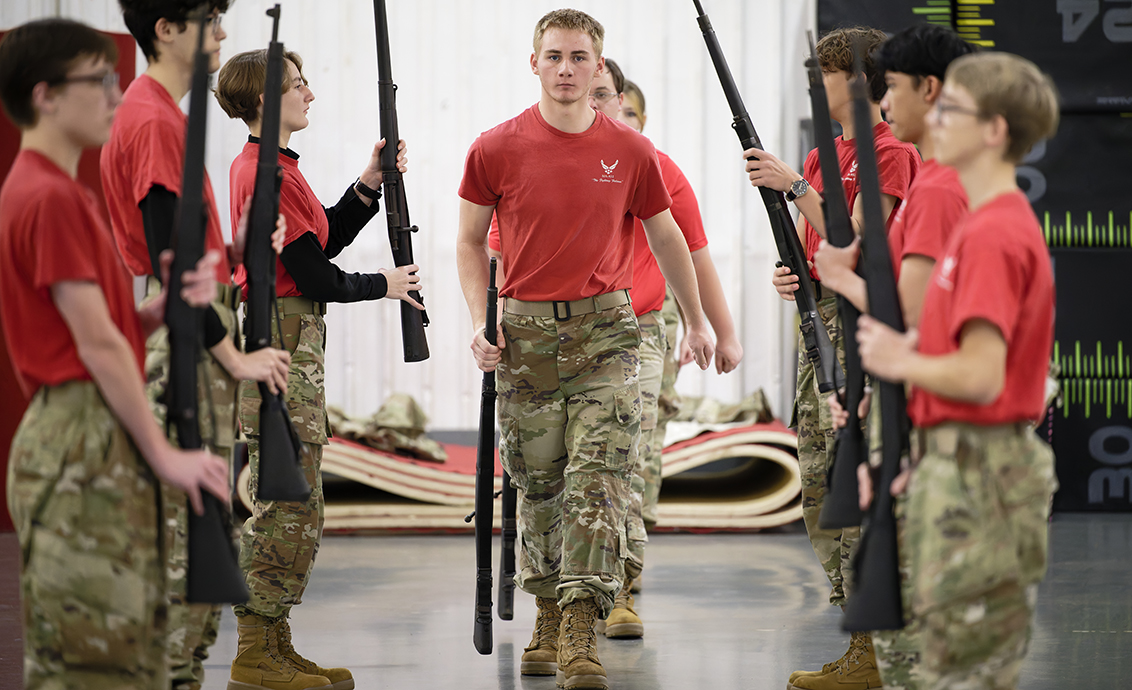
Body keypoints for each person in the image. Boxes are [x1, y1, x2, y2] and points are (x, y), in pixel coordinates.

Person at [456, 10, 713, 689]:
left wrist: (697, 320)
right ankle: (545, 611)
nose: (566, 69)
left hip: (608, 335)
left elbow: (667, 240)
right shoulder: (495, 148)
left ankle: (579, 624)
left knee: (598, 483)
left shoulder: (631, 153)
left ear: (600, 67)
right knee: (538, 486)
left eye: (579, 57)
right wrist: (480, 322)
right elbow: (467, 241)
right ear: (533, 62)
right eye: (554, 56)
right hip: (526, 337)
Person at [0, 18, 231, 690]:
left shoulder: (58, 190)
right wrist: (164, 455)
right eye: (96, 80)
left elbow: (96, 324)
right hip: (81, 436)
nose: (112, 93)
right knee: (101, 659)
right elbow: (96, 344)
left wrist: (154, 314)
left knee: (118, 648)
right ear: (45, 95)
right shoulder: (48, 197)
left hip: (85, 428)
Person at [100, 3, 292, 688]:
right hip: (186, 344)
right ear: (166, 29)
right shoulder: (153, 120)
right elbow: (173, 263)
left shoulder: (154, 112)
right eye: (209, 19)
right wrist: (233, 355)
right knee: (185, 552)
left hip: (190, 331)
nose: (222, 34)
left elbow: (183, 251)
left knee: (199, 541)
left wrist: (233, 246)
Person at [856, 51, 1059, 690]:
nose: (934, 117)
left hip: (983, 471)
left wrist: (898, 360)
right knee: (942, 658)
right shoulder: (979, 225)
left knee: (965, 669)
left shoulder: (996, 233)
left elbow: (980, 376)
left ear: (994, 130)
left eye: (953, 109)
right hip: (958, 461)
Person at [215, 47, 415, 690]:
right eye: (299, 85)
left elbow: (320, 236)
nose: (310, 94)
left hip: (291, 337)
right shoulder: (265, 172)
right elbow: (314, 274)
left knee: (295, 495)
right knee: (286, 500)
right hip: (281, 339)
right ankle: (255, 648)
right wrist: (382, 285)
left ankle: (274, 640)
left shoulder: (272, 167)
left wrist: (368, 184)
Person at [744, 26, 921, 690]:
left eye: (831, 75)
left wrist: (796, 189)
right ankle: (860, 635)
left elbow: (868, 246)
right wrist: (792, 276)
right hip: (818, 328)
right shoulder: (822, 157)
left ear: (864, 82)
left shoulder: (894, 154)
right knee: (818, 487)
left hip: (865, 332)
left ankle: (878, 650)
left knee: (860, 482)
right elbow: (814, 250)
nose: (819, 87)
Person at [813, 25, 975, 690]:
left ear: (929, 90)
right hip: (911, 395)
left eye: (897, 89)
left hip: (931, 403)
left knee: (921, 574)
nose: (884, 103)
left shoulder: (936, 189)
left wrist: (840, 275)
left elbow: (907, 313)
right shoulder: (939, 178)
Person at [584, 58, 743, 639]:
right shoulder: (535, 153)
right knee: (573, 469)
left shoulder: (653, 166)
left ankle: (622, 585)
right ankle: (567, 600)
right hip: (561, 330)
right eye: (591, 94)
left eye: (608, 96)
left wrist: (716, 328)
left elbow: (693, 250)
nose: (600, 107)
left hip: (642, 326)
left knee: (631, 453)